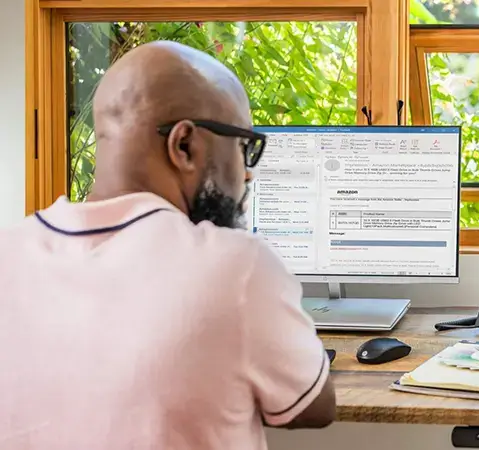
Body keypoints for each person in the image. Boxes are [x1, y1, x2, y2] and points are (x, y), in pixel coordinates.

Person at [0, 40, 335, 449]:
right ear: (184, 146)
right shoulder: (234, 267)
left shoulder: (10, 252)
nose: (246, 175)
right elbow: (313, 408)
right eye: (243, 146)